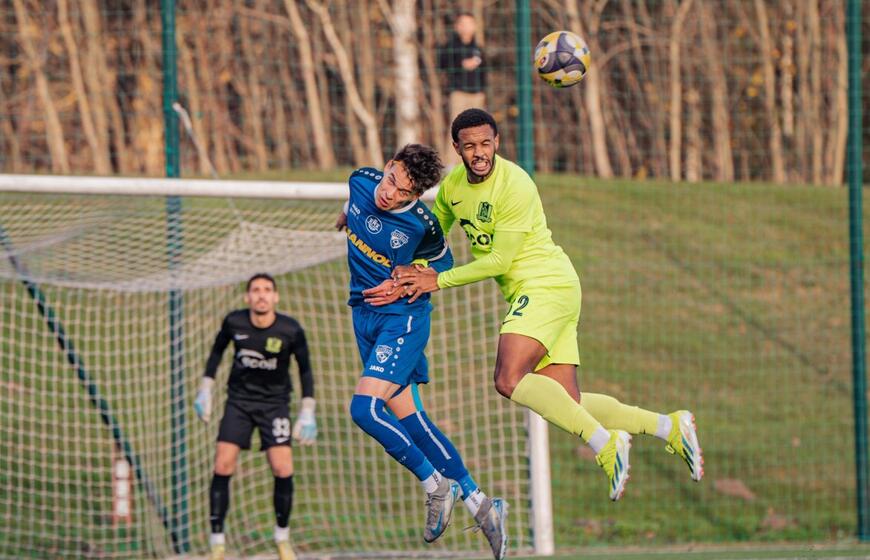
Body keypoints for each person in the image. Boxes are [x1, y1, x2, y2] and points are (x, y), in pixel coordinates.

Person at [371, 109, 704, 502]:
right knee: (569, 402)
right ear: (457, 148)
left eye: (485, 143)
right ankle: (669, 426)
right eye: (469, 146)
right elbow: (436, 240)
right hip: (547, 290)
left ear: (497, 142)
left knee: (508, 379)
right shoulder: (453, 188)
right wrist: (414, 268)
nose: (479, 152)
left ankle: (605, 443)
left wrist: (436, 280)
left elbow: (500, 262)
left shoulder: (516, 185)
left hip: (545, 284)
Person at [336, 144, 508, 559]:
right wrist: (345, 217)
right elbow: (355, 204)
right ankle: (481, 504)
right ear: (388, 165)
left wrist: (408, 279)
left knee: (364, 410)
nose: (390, 193)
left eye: (403, 192)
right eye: (391, 179)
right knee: (412, 421)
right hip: (365, 317)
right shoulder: (361, 181)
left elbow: (444, 263)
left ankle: (435, 485)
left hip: (403, 320)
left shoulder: (421, 226)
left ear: (415, 197)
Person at [193, 273, 316, 560]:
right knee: (223, 464)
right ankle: (217, 543)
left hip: (275, 405)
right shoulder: (234, 322)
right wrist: (205, 390)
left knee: (282, 468)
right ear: (247, 297)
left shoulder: (290, 329)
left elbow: (305, 369)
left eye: (267, 290)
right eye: (256, 290)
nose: (261, 295)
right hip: (239, 403)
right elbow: (216, 353)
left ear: (275, 297)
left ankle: (282, 539)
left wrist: (307, 410)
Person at [438, 12, 486, 168]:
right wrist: (461, 65)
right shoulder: (450, 47)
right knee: (456, 128)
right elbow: (442, 64)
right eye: (462, 24)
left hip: (477, 94)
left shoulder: (478, 48)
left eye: (469, 23)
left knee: (477, 131)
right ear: (457, 27)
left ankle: (476, 163)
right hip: (458, 93)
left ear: (475, 26)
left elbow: (485, 72)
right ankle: (451, 165)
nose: (466, 27)